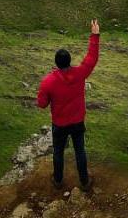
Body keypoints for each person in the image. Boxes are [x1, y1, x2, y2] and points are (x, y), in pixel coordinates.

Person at [37, 19, 100, 191]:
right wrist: (95, 35)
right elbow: (91, 58)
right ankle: (85, 182)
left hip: (60, 124)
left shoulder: (48, 81)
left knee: (58, 152)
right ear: (70, 61)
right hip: (77, 121)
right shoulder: (80, 74)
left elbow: (41, 104)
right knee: (80, 150)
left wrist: (48, 97)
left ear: (56, 63)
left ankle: (58, 181)